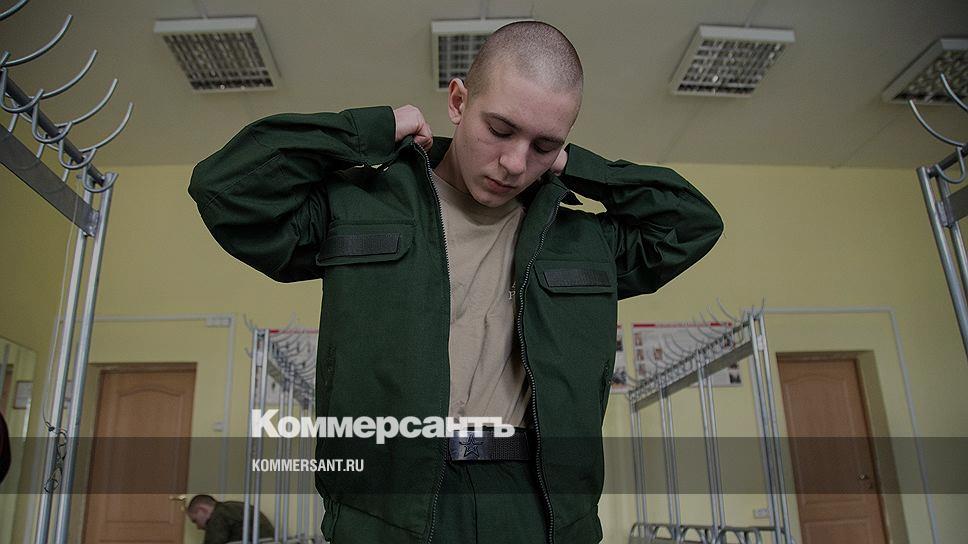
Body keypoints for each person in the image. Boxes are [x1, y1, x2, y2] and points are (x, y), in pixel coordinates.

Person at [189, 20, 722, 544]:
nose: (514, 163)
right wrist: (371, 130)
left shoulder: (582, 240)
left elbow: (693, 224)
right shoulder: (358, 207)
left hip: (537, 509)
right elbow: (226, 190)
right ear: (459, 101)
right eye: (501, 129)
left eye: (543, 145)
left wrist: (575, 166)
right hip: (389, 506)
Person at [185, 494, 274, 544]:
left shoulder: (219, 514)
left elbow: (214, 542)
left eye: (195, 521)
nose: (198, 527)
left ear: (202, 510)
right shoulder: (232, 508)